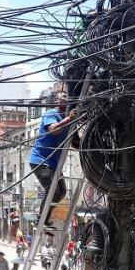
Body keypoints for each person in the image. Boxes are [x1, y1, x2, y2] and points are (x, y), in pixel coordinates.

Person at [29, 90, 76, 227]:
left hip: (55, 164)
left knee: (61, 192)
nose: (65, 99)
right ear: (55, 101)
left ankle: (44, 219)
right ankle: (41, 220)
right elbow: (53, 129)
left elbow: (74, 142)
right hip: (41, 160)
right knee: (51, 190)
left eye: (66, 97)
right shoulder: (51, 114)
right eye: (61, 98)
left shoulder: (68, 119)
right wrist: (69, 119)